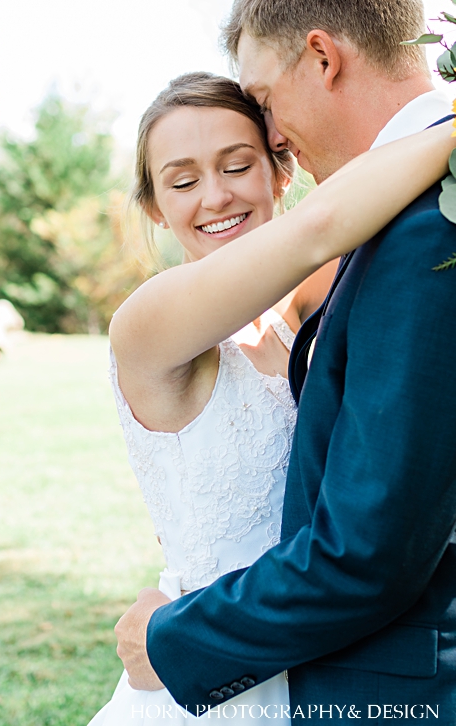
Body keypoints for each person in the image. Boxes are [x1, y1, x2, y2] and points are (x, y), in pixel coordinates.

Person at [113, 0, 456, 720]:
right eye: (179, 181)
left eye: (240, 161)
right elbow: (316, 228)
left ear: (277, 173)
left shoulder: (337, 290)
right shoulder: (146, 324)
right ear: (152, 206)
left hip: (300, 653)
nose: (214, 196)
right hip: (239, 659)